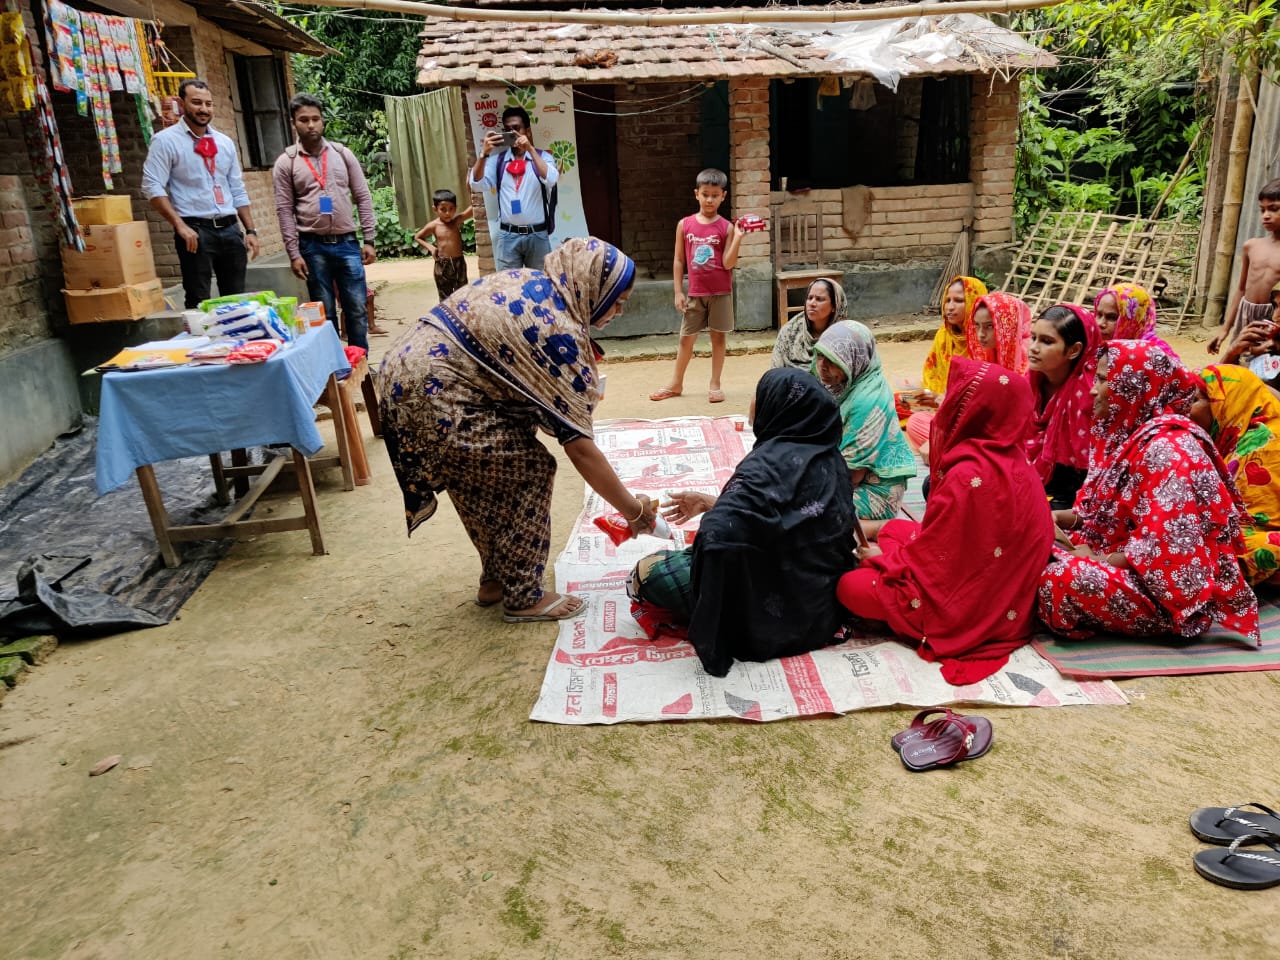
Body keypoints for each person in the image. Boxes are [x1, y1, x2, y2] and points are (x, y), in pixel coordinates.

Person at [376, 237, 658, 622]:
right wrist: (633, 510)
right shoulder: (555, 327)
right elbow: (578, 446)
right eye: (618, 301)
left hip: (405, 376)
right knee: (530, 470)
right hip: (436, 391)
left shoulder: (534, 285)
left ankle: (497, 578)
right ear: (595, 289)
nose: (620, 311)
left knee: (480, 477)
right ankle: (523, 596)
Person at [835, 358, 1055, 684]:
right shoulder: (1015, 459)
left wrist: (884, 561)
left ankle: (909, 617)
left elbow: (936, 565)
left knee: (850, 585)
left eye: (957, 398)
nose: (947, 406)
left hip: (963, 605)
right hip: (1005, 592)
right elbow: (944, 542)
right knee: (894, 529)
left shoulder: (967, 475)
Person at [628, 368, 855, 677]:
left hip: (761, 608)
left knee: (644, 574)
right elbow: (792, 522)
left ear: (778, 407)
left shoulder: (763, 466)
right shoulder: (831, 459)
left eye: (759, 396)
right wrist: (710, 503)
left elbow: (719, 534)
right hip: (819, 609)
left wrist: (714, 525)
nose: (752, 402)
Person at [1039, 341, 1259, 642]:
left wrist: (1098, 559)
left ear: (1133, 388)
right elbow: (1109, 516)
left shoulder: (1170, 452)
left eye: (1103, 380)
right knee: (1028, 533)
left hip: (1161, 593)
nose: (1092, 390)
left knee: (1058, 579)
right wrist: (1066, 519)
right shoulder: (1128, 433)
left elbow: (1165, 551)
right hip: (1117, 557)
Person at [272, 93, 381, 352]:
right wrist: (294, 253)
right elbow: (284, 210)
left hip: (347, 244)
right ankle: (333, 366)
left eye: (316, 119)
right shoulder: (287, 162)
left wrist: (369, 239)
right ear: (293, 123)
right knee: (324, 312)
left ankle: (360, 362)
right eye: (304, 120)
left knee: (356, 307)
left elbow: (363, 196)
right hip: (312, 247)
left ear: (323, 121)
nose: (311, 125)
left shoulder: (342, 155)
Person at [141, 78, 259, 309]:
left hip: (230, 228)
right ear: (181, 103)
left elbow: (237, 188)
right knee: (198, 300)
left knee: (236, 301)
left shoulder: (224, 143)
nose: (204, 109)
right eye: (196, 102)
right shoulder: (165, 141)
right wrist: (180, 226)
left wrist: (250, 230)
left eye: (208, 104)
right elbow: (152, 186)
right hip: (195, 231)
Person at [650, 168, 744, 403]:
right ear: (696, 194)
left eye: (715, 195)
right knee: (686, 339)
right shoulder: (685, 225)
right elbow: (678, 259)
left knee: (718, 339)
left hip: (720, 292)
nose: (710, 199)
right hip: (694, 292)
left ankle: (715, 384)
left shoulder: (727, 228)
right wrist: (677, 291)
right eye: (705, 194)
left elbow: (728, 263)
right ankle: (676, 383)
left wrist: (738, 238)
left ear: (723, 196)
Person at [812, 320, 917, 520]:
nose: (822, 367)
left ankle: (877, 527)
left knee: (805, 512)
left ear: (855, 359)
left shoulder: (868, 401)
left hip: (875, 489)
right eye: (820, 356)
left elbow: (852, 476)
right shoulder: (845, 384)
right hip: (841, 473)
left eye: (833, 360)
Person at [1193, 364, 1280, 585]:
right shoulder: (1231, 438)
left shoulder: (1266, 445)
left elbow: (1253, 522)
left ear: (1224, 405)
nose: (1186, 410)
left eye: (1195, 400)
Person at [903, 274, 988, 455]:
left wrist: (945, 400)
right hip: (939, 402)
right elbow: (932, 374)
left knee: (915, 422)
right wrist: (931, 396)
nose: (950, 306)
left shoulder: (984, 340)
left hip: (965, 412)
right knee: (901, 400)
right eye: (947, 300)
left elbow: (981, 396)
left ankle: (951, 447)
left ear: (974, 302)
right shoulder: (943, 335)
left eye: (959, 301)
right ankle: (949, 446)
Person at [1025, 304, 1099, 510]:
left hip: (1073, 488)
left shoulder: (1089, 395)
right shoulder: (1028, 384)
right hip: (1027, 474)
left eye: (1046, 341)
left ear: (1074, 350)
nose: (1034, 348)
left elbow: (1089, 471)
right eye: (1033, 337)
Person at [468, 106, 558, 271]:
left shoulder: (543, 157)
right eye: (508, 130)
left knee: (540, 283)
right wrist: (484, 154)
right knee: (507, 284)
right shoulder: (497, 161)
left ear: (527, 131)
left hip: (537, 235)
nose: (512, 133)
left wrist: (530, 149)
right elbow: (476, 184)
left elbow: (551, 180)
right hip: (508, 236)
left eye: (517, 128)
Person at [1209, 177, 1280, 354]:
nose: (1266, 215)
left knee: (1266, 363)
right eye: (1262, 210)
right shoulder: (1251, 246)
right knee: (1238, 359)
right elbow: (1241, 289)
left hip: (1273, 318)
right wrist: (1225, 330)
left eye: (1274, 209)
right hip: (1246, 313)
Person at [771, 277, 846, 371]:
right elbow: (775, 371)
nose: (812, 303)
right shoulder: (790, 331)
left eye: (819, 299)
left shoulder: (843, 337)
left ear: (835, 306)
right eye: (809, 298)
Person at [414, 189, 473, 302]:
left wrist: (471, 189)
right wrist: (431, 248)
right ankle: (446, 313)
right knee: (445, 297)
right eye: (443, 209)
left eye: (451, 209)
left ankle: (459, 313)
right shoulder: (433, 225)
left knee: (462, 294)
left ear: (456, 208)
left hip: (459, 263)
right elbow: (418, 237)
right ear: (435, 209)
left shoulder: (456, 221)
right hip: (442, 265)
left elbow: (472, 209)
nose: (448, 213)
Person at [1093, 282, 1178, 358]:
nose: (1100, 323)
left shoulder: (1156, 356)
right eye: (1099, 315)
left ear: (1134, 321)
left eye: (1112, 318)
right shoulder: (1093, 348)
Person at [966, 292, 1032, 374]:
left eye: (990, 326)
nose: (981, 334)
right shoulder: (985, 355)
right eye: (977, 325)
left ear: (1008, 325)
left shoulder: (1030, 361)